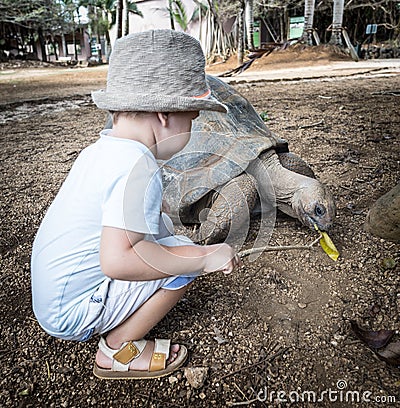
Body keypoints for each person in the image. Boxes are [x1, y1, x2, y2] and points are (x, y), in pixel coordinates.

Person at [31, 29, 241, 380]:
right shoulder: (138, 167)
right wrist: (203, 257)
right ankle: (116, 349)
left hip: (55, 299)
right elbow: (117, 261)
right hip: (72, 312)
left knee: (167, 235)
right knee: (184, 259)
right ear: (164, 115)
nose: (191, 128)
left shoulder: (100, 151)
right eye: (192, 118)